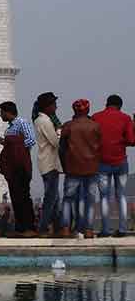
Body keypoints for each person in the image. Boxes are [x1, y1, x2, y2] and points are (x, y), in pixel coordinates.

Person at [92, 95, 134, 236]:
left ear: (107, 104)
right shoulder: (126, 118)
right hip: (120, 162)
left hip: (102, 162)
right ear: (120, 106)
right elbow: (131, 139)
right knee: (120, 195)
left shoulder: (96, 117)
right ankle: (122, 229)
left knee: (104, 196)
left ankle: (105, 230)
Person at [61, 99, 102, 238]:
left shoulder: (68, 126)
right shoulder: (95, 126)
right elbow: (100, 147)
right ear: (88, 110)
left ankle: (66, 229)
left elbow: (62, 149)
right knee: (90, 200)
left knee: (68, 199)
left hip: (73, 167)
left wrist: (65, 165)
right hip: (91, 167)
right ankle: (89, 230)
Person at [0, 101, 37, 236]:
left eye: (2, 112)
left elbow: (31, 140)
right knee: (16, 197)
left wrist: (15, 146)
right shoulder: (9, 128)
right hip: (12, 167)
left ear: (8, 112)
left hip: (21, 166)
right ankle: (20, 227)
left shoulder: (21, 122)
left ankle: (29, 227)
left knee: (23, 197)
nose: (1, 115)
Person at [33, 92, 63, 236]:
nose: (56, 107)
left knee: (54, 198)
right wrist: (59, 133)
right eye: (53, 104)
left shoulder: (41, 120)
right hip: (49, 163)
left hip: (47, 163)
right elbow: (55, 142)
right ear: (47, 106)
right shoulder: (44, 121)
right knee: (51, 198)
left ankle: (57, 226)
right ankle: (43, 226)